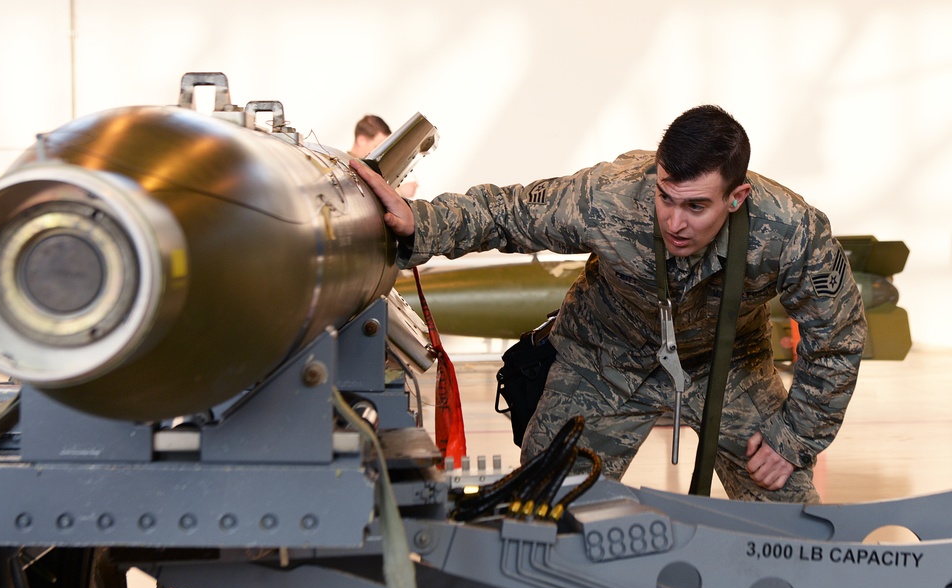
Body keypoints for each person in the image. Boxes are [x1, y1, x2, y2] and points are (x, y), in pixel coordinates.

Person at [350, 105, 866, 503]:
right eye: (666, 197)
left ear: (737, 198)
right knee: (545, 511)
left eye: (696, 206)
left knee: (790, 524)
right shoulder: (612, 195)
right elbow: (508, 212)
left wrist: (794, 436)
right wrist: (423, 220)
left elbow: (838, 337)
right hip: (604, 357)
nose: (674, 222)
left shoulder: (790, 230)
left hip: (727, 365)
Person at [350, 115, 420, 197]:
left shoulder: (367, 167)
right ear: (361, 140)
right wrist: (399, 193)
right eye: (376, 147)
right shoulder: (344, 169)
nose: (379, 155)